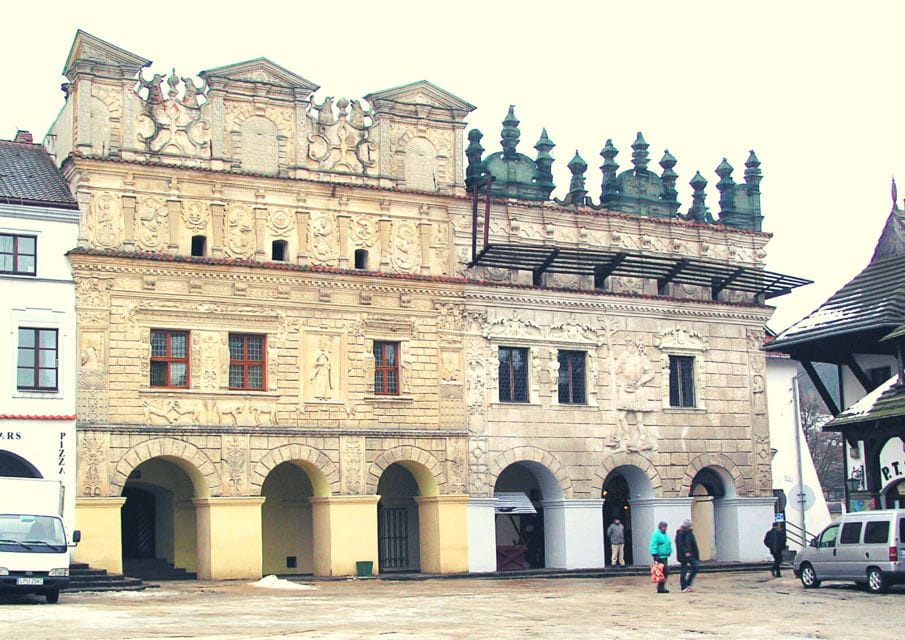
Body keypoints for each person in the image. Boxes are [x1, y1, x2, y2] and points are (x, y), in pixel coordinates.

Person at [675, 520, 700, 592]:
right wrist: (686, 551)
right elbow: (681, 544)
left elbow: (691, 543)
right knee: (684, 569)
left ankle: (688, 584)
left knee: (695, 567)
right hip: (684, 555)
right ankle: (684, 586)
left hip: (690, 554)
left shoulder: (689, 532)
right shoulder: (680, 533)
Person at [648, 520, 672, 593]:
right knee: (664, 571)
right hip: (659, 557)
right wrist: (655, 554)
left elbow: (668, 544)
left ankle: (661, 587)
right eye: (664, 527)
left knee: (664, 572)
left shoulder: (665, 535)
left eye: (666, 527)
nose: (665, 528)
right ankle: (660, 587)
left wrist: (669, 552)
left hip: (664, 556)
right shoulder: (656, 535)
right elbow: (653, 544)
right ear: (660, 527)